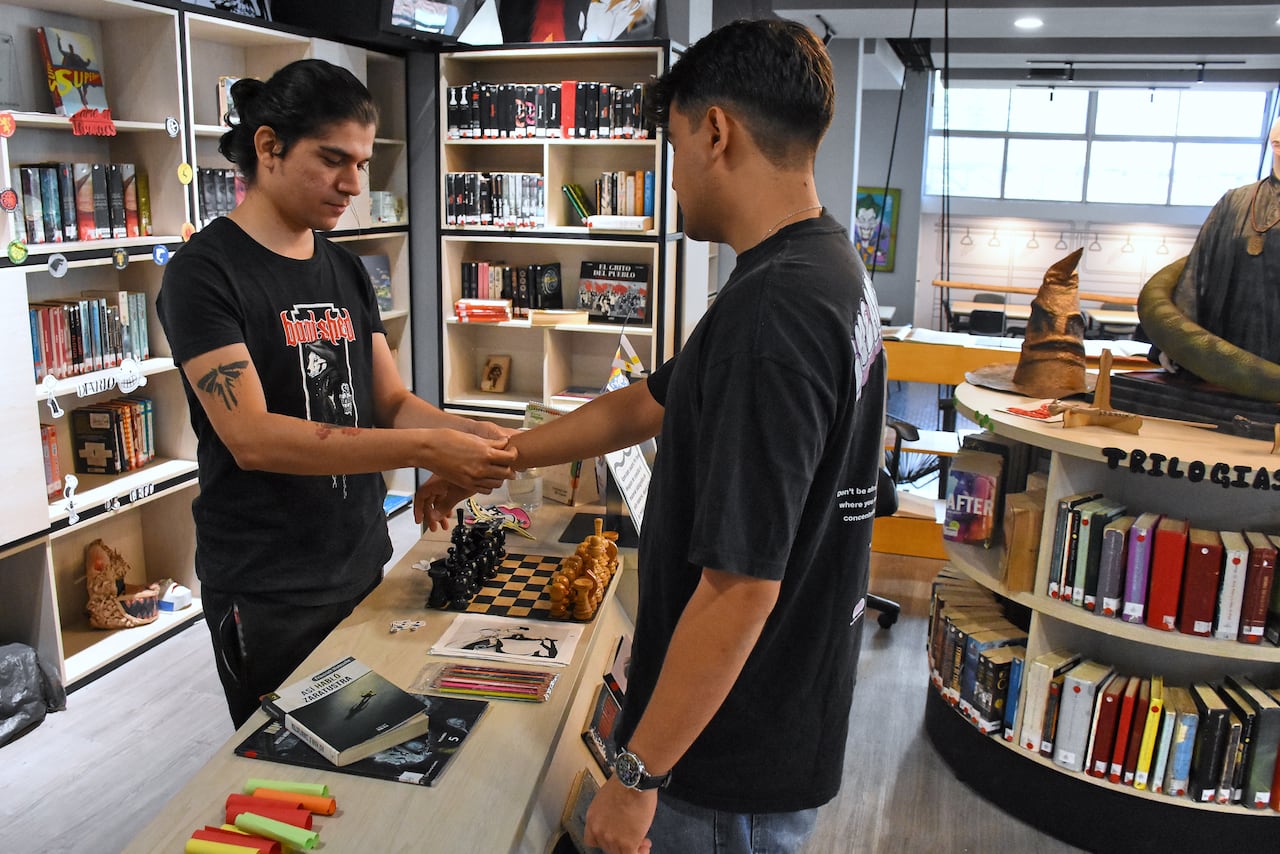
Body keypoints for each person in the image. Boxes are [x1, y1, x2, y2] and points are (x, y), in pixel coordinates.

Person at [416, 19, 887, 853]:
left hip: (724, 764)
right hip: (775, 718)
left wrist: (636, 777)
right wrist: (499, 457)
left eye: (672, 147)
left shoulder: (774, 313)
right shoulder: (820, 267)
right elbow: (648, 403)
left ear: (716, 131)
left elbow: (741, 589)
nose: (669, 179)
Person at [157, 59, 517, 728]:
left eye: (361, 162)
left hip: (360, 555)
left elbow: (389, 401)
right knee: (305, 767)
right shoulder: (204, 275)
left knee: (370, 750)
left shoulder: (346, 268)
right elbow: (254, 438)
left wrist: (466, 435)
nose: (354, 183)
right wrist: (427, 445)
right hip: (270, 584)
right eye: (333, 160)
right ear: (268, 147)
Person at [1168, 116, 1280, 364]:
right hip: (1227, 344)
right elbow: (1197, 273)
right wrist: (1177, 344)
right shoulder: (1234, 202)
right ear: (1274, 142)